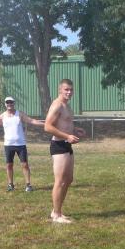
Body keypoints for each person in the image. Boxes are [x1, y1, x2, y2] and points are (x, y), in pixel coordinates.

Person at [0, 96, 45, 192]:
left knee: (25, 164)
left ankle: (28, 185)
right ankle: (10, 185)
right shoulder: (2, 116)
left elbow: (31, 121)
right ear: (5, 104)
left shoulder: (19, 114)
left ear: (14, 103)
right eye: (7, 102)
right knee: (9, 165)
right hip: (8, 145)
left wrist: (45, 124)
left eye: (11, 102)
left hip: (20, 144)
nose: (9, 104)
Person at [44, 79, 86, 223]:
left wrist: (75, 130)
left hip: (67, 145)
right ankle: (56, 215)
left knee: (68, 179)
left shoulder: (67, 106)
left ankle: (57, 210)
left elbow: (64, 124)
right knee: (60, 181)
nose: (69, 92)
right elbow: (47, 126)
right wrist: (67, 136)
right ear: (60, 90)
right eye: (66, 89)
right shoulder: (57, 105)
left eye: (71, 90)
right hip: (58, 145)